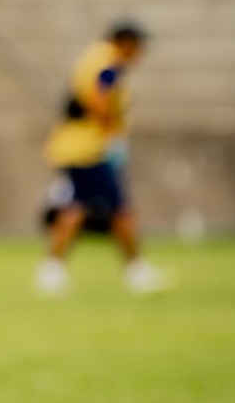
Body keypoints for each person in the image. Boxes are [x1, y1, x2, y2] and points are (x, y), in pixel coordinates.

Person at [36, 22, 169, 296]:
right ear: (126, 42)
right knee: (120, 210)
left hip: (74, 147)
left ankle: (52, 270)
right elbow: (100, 98)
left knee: (77, 207)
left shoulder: (94, 56)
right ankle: (136, 272)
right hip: (88, 150)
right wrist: (112, 137)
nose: (140, 54)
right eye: (138, 47)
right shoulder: (109, 61)